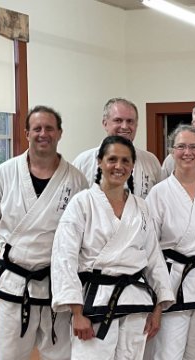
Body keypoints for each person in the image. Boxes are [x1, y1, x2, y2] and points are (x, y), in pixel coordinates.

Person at [51, 136, 174, 360]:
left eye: (126, 161)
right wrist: (77, 312)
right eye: (112, 159)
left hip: (135, 301)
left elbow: (153, 258)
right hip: (95, 303)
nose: (119, 166)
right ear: (100, 161)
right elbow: (64, 257)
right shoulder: (82, 203)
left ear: (133, 166)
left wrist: (158, 308)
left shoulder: (141, 207)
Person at [0, 106, 88, 360]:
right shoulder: (4, 173)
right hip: (14, 283)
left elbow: (82, 235)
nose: (43, 133)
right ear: (26, 133)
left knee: (61, 356)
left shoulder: (76, 180)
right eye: (37, 128)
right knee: (7, 355)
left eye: (49, 128)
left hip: (58, 286)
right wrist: (3, 248)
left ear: (59, 133)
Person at [144, 125, 195, 360]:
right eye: (181, 146)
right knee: (167, 353)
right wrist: (156, 294)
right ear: (171, 151)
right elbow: (149, 248)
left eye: (193, 146)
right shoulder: (158, 194)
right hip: (172, 283)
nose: (187, 152)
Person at [73, 97, 162, 199]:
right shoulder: (83, 162)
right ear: (105, 123)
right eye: (118, 120)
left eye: (130, 121)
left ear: (136, 125)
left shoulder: (150, 161)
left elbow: (159, 202)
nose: (124, 126)